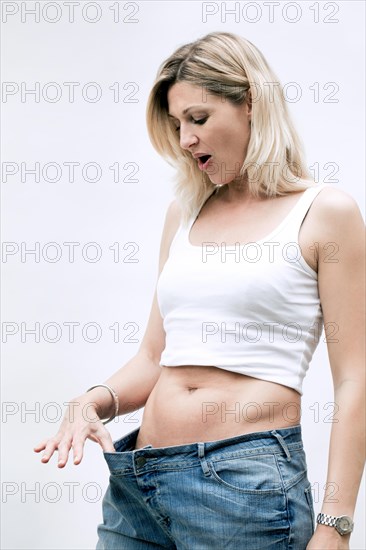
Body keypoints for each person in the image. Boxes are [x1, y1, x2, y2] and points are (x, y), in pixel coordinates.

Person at [34, 31, 365, 549]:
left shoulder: (325, 213)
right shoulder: (184, 213)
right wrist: (93, 401)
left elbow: (354, 380)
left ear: (251, 103)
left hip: (244, 492)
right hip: (137, 485)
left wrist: (336, 525)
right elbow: (153, 356)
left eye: (199, 119)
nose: (185, 139)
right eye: (177, 124)